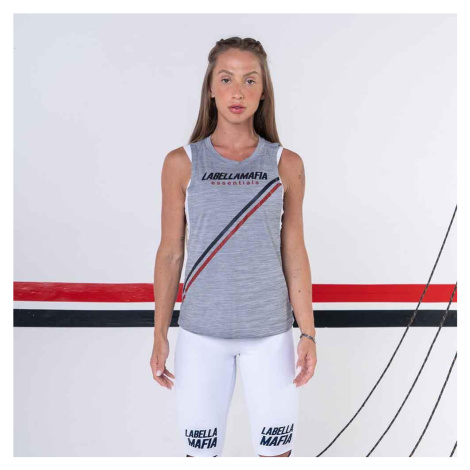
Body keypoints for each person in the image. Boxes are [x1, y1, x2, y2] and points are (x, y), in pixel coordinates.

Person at [150, 37, 317, 457]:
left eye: (249, 80)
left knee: (276, 457)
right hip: (201, 336)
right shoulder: (182, 163)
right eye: (226, 79)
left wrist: (308, 333)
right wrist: (160, 334)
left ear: (263, 91)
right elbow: (170, 252)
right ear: (211, 88)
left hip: (270, 336)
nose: (237, 92)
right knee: (200, 457)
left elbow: (294, 252)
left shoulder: (286, 164)